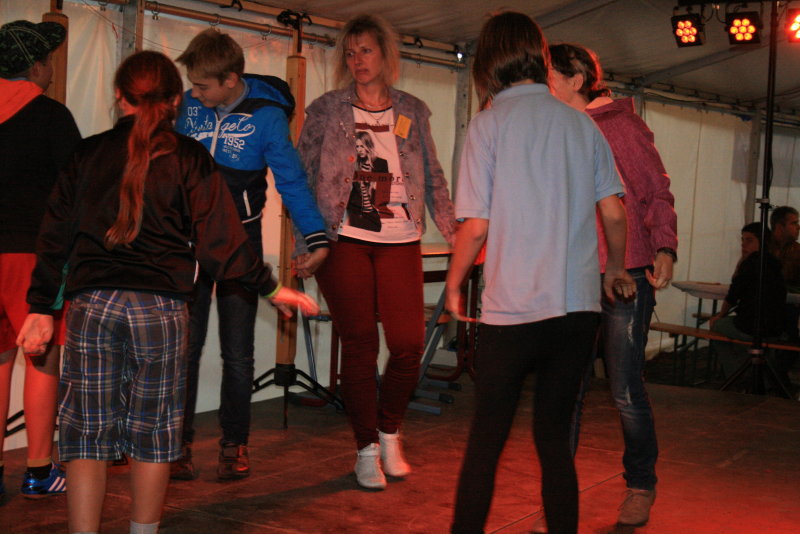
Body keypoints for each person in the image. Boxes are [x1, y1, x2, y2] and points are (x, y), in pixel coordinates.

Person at [16, 51, 318, 534]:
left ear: (119, 97)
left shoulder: (86, 155)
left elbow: (55, 237)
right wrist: (273, 288)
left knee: (87, 436)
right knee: (153, 437)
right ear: (176, 101)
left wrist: (40, 308)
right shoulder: (191, 158)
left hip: (93, 307)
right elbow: (223, 243)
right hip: (160, 311)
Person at [447, 13, 633, 534]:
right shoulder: (581, 124)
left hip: (512, 311)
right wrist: (615, 268)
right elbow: (614, 213)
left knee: (486, 442)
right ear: (539, 55)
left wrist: (455, 283)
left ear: (488, 61)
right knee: (554, 440)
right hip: (576, 311)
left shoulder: (488, 125)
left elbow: (476, 227)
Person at [295, 14, 456, 490]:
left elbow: (434, 177)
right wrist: (307, 244)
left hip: (400, 238)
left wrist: (457, 235)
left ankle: (390, 433)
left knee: (408, 344)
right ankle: (366, 448)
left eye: (366, 50)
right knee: (360, 343)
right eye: (350, 52)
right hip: (344, 239)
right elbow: (301, 180)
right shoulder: (326, 109)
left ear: (386, 54)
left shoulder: (413, 110)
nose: (358, 60)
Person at [172, 29, 329, 481]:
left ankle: (234, 443)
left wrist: (315, 238)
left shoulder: (267, 116)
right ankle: (177, 445)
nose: (195, 93)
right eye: (192, 85)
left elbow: (292, 181)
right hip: (188, 243)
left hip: (239, 240)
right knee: (185, 348)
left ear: (231, 79)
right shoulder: (187, 108)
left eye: (203, 86)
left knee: (238, 352)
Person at [547, 42, 678, 529]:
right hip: (573, 274)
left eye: (548, 76)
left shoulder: (619, 125)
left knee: (623, 387)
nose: (542, 86)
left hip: (626, 274)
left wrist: (664, 246)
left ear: (576, 79)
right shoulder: (555, 127)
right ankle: (557, 495)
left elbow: (656, 190)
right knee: (567, 388)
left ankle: (641, 484)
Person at [0, 19, 81, 500]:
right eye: (49, 61)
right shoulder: (52, 117)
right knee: (42, 358)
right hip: (33, 257)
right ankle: (37, 470)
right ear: (35, 66)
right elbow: (75, 192)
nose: (51, 69)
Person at [709, 222, 786, 377]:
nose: (743, 244)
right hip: (774, 328)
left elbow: (733, 294)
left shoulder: (751, 263)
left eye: (749, 240)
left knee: (716, 326)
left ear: (762, 242)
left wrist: (720, 315)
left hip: (751, 326)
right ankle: (760, 376)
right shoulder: (775, 263)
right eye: (743, 240)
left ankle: (734, 373)